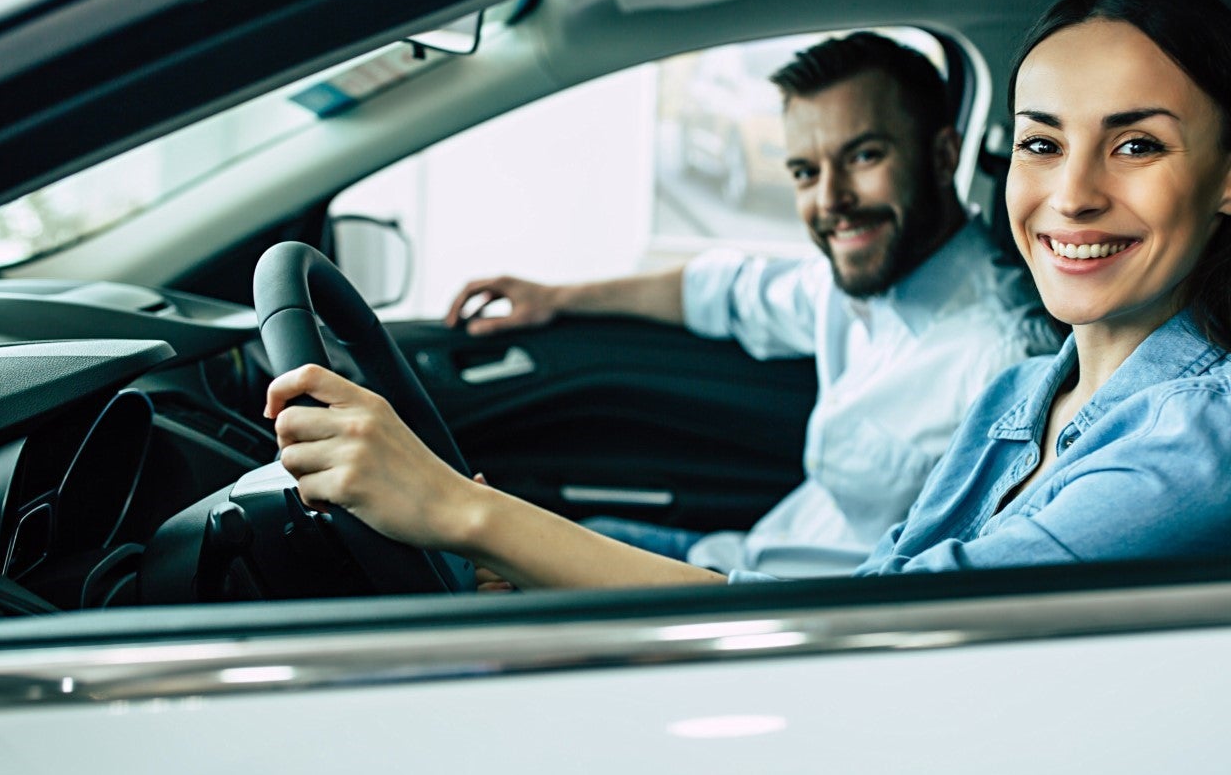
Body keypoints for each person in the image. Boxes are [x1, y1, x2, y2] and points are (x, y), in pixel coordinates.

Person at [265, 0, 1231, 590]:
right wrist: (558, 305)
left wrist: (461, 512)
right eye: (1043, 146)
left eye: (1133, 147)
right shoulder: (1027, 396)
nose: (1071, 195)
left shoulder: (1204, 434)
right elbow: (735, 293)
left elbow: (883, 629)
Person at [439, 32, 1056, 576]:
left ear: (943, 154)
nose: (831, 199)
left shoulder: (1002, 361)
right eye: (805, 173)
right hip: (741, 554)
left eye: (864, 156)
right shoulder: (859, 280)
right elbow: (727, 292)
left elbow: (951, 589)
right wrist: (557, 299)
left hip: (766, 614)